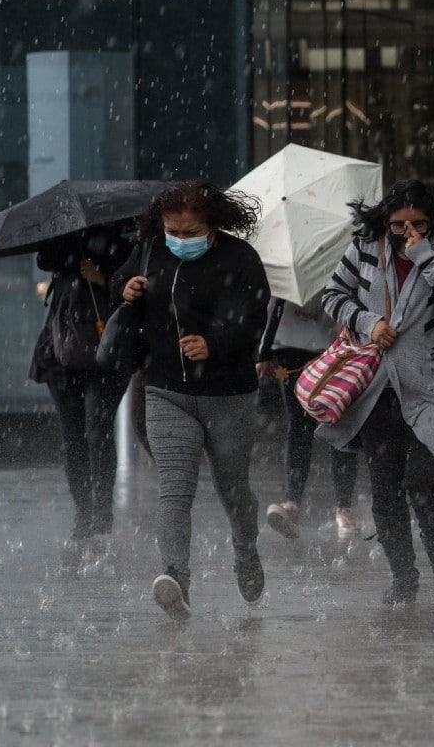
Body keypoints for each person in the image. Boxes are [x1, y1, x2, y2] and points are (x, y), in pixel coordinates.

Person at [111, 181, 271, 621]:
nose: (181, 239)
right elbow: (117, 283)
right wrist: (126, 288)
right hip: (166, 390)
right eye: (173, 230)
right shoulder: (149, 250)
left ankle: (246, 551)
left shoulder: (241, 260)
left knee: (233, 490)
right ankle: (176, 581)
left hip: (229, 395)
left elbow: (256, 318)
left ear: (213, 225)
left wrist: (215, 344)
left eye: (190, 230)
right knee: (175, 491)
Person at [318, 179, 434, 604]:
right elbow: (332, 295)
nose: (408, 232)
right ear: (384, 222)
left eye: (418, 224)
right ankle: (403, 576)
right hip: (375, 387)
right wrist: (367, 322)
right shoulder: (365, 248)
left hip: (432, 386)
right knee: (385, 490)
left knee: (424, 475)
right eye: (398, 225)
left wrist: (425, 257)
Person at [30, 225, 133, 542]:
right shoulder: (62, 241)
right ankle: (84, 512)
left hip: (105, 355)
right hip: (62, 354)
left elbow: (137, 288)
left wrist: (103, 278)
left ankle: (101, 513)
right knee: (73, 436)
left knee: (97, 430)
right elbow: (44, 259)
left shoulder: (121, 245)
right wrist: (74, 247)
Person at [256, 295, 361, 538]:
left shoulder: (340, 265)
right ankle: (295, 501)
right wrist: (263, 352)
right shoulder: (288, 270)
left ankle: (342, 507)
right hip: (292, 350)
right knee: (301, 425)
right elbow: (276, 305)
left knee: (335, 424)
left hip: (330, 350)